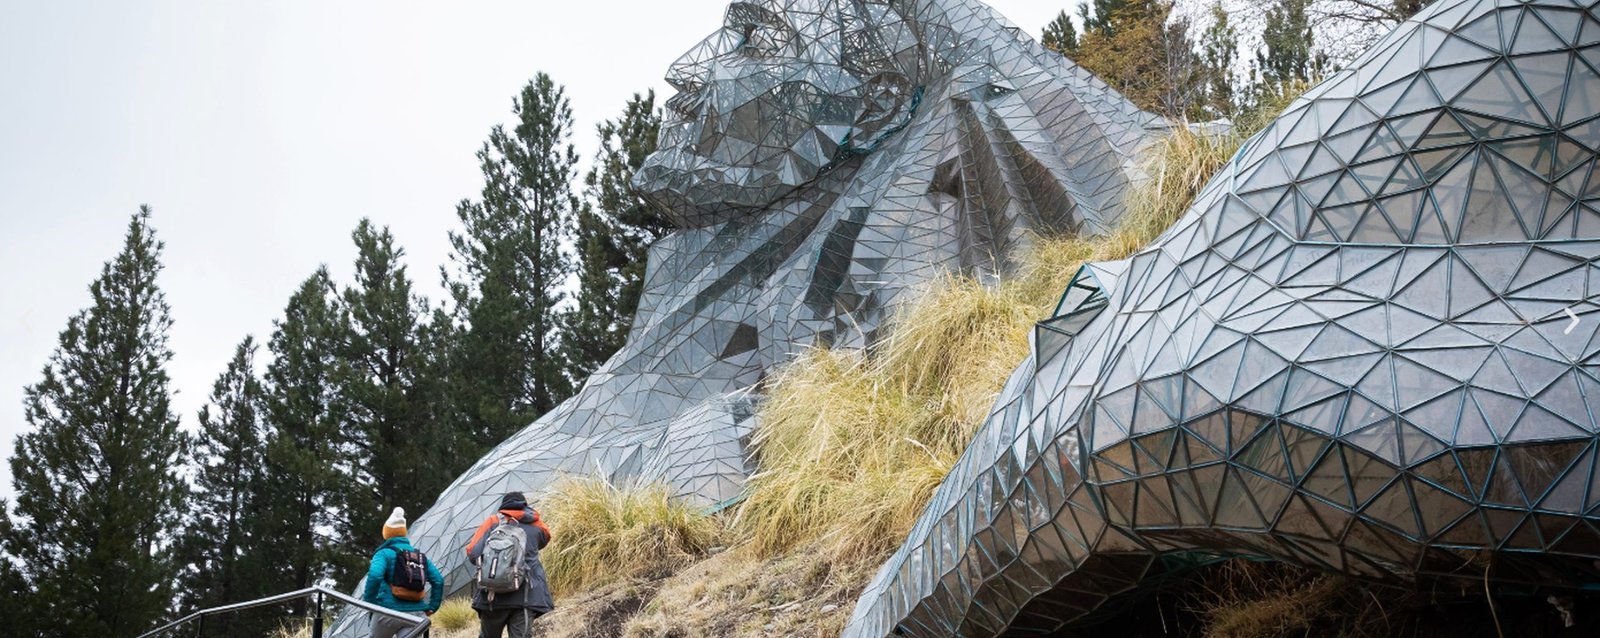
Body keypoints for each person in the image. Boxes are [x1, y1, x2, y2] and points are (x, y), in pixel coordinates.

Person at [465, 491, 554, 638]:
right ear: (525, 506)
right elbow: (545, 539)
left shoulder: (493, 522)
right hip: (526, 596)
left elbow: (473, 554)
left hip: (493, 595)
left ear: (503, 506)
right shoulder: (536, 524)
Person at [362, 507, 444, 638]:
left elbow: (375, 575)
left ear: (386, 533)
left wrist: (369, 601)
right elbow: (438, 580)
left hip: (387, 612)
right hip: (416, 615)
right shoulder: (418, 556)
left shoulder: (383, 553)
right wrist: (433, 606)